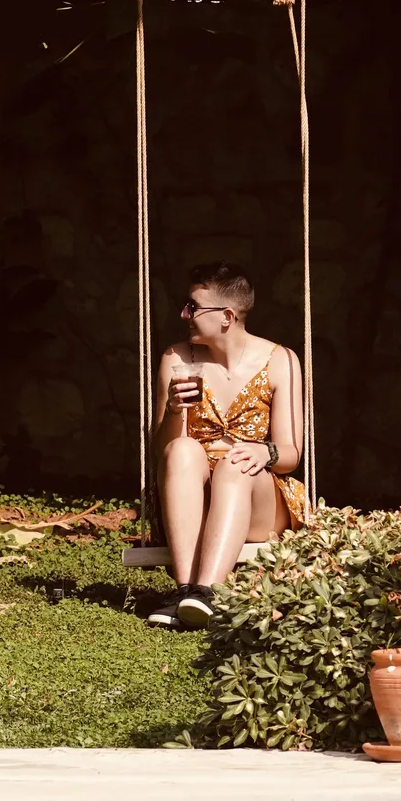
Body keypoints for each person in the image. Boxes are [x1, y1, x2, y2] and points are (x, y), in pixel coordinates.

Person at [149, 262, 308, 629]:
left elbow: (290, 456)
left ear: (226, 316)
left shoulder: (280, 361)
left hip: (256, 497)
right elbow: (160, 453)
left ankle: (207, 591)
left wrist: (263, 450)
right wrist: (173, 411)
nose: (183, 314)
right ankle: (186, 588)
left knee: (234, 464)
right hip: (193, 499)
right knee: (182, 450)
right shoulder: (176, 359)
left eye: (193, 306)